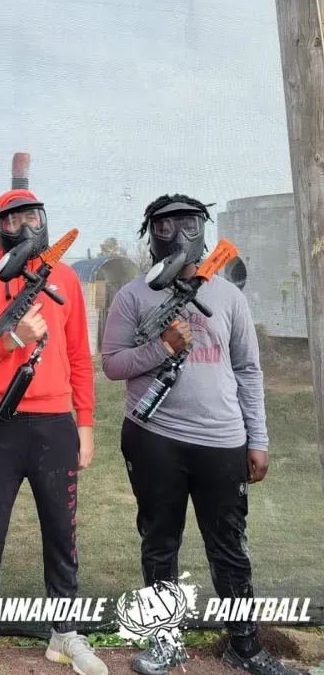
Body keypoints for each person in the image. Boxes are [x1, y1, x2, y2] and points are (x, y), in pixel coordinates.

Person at [101, 194, 301, 675]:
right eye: (165, 225)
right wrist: (160, 347)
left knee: (229, 543)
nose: (178, 234)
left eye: (188, 223)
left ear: (202, 228)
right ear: (151, 234)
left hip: (222, 439)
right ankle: (165, 642)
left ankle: (245, 645)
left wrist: (259, 439)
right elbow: (112, 365)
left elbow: (248, 371)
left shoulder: (229, 296)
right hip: (154, 438)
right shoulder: (132, 296)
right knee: (159, 540)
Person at [0, 189, 107, 675]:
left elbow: (80, 356)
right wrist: (13, 339)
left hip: (56, 426)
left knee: (62, 533)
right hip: (0, 426)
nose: (24, 226)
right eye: (13, 220)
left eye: (32, 216)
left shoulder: (66, 280)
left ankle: (64, 636)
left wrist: (84, 425)